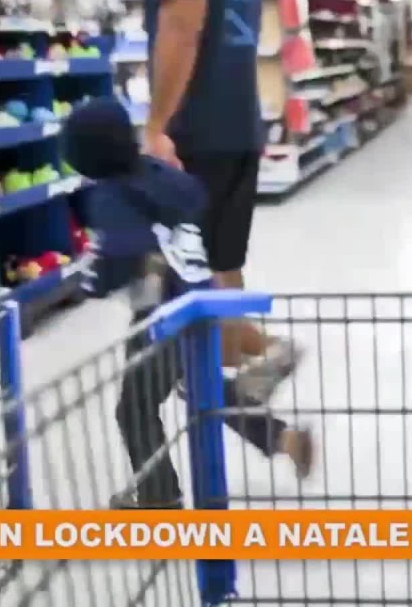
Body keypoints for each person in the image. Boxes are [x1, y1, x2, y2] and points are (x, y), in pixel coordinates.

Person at [63, 98, 314, 510]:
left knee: (135, 410)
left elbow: (122, 251)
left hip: (160, 316)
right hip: (200, 302)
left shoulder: (109, 194)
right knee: (201, 386)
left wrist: (92, 283)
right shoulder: (157, 174)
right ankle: (283, 438)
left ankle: (159, 497)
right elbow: (194, 198)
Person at [142, 0, 296, 403]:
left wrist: (156, 124)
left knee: (190, 271)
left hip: (195, 128)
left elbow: (181, 25)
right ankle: (253, 361)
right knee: (222, 262)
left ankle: (223, 380)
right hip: (237, 123)